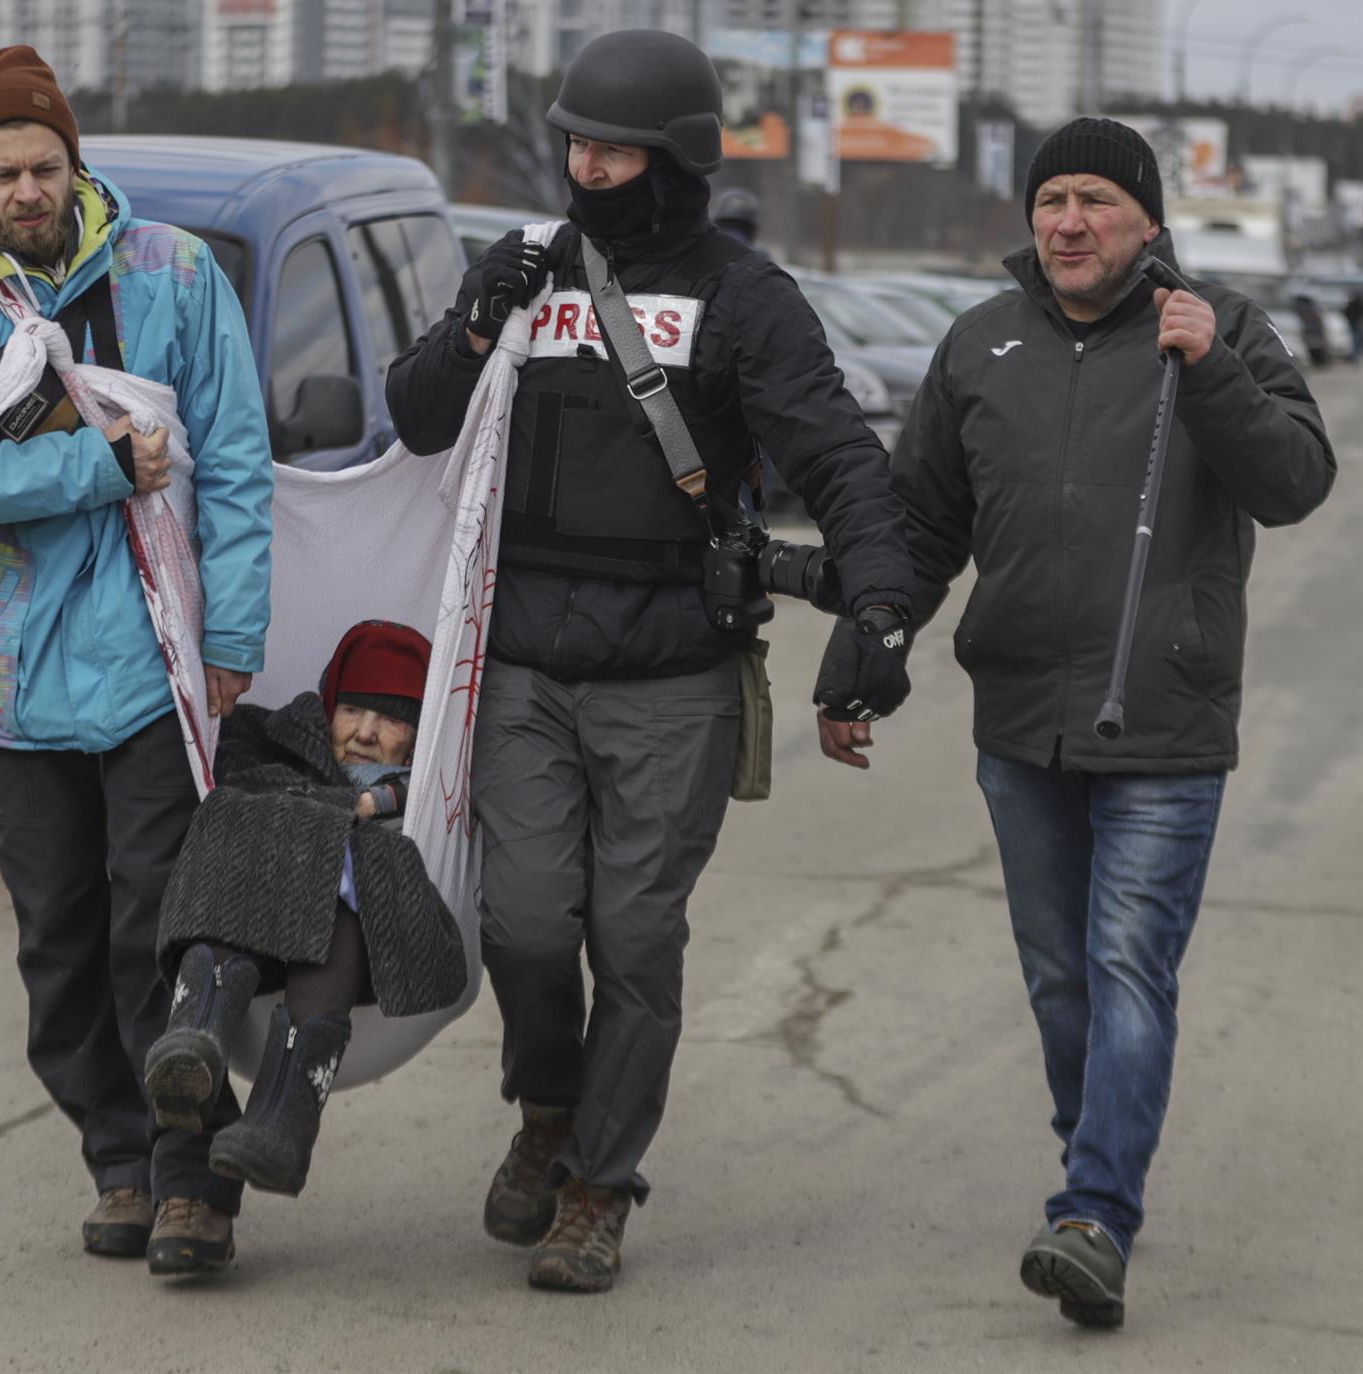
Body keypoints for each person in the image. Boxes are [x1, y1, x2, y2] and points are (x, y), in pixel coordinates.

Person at [385, 28, 916, 1294]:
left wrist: (881, 604)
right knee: (519, 924)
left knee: (633, 939)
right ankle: (549, 1109)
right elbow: (412, 420)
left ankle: (599, 1186)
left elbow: (840, 457)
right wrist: (470, 325)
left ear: (673, 159)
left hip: (674, 673)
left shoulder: (745, 296)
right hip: (519, 668)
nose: (587, 165)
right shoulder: (522, 271)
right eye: (574, 142)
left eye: (613, 149)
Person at [822, 117, 1335, 1329]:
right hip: (1021, 723)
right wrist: (859, 658)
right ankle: (1091, 1165)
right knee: (1060, 980)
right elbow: (918, 531)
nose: (1067, 222)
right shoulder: (981, 341)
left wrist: (1211, 371)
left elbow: (1298, 483)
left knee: (1124, 968)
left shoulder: (1219, 330)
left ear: (1148, 222)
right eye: (1051, 199)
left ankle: (1096, 1209)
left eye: (1095, 200)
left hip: (1164, 720)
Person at [0, 46, 273, 1277]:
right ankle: (113, 1159)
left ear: (76, 160)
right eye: (4, 171)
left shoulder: (178, 273)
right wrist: (95, 469)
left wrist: (232, 641)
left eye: (46, 164)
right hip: (12, 681)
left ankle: (188, 1182)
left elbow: (240, 467)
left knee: (161, 934)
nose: (28, 190)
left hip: (156, 667)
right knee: (56, 942)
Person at [143, 620, 467, 1206]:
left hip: (346, 945)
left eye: (391, 720)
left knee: (344, 904)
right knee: (234, 829)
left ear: (417, 737)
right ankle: (194, 1039)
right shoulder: (273, 736)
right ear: (327, 706)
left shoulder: (425, 787)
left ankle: (283, 1124)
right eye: (352, 711)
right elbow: (232, 782)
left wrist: (373, 804)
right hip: (245, 919)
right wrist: (348, 806)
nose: (366, 733)